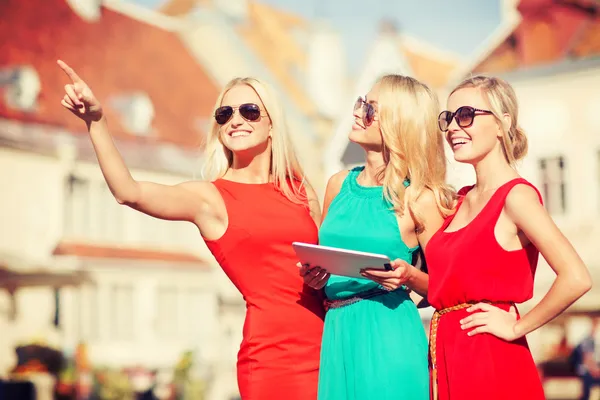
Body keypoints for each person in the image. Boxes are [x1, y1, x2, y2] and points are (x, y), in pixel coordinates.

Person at [57, 60, 325, 400]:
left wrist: (325, 278)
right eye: (224, 114)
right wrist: (96, 122)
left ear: (272, 123)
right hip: (274, 357)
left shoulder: (299, 189)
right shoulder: (210, 197)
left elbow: (326, 265)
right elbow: (129, 191)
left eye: (249, 111)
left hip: (328, 343)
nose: (236, 120)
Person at [426, 75, 593, 400]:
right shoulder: (459, 199)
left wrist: (518, 326)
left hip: (489, 355)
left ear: (503, 123)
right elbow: (443, 283)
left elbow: (576, 277)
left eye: (466, 115)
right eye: (448, 118)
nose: (452, 128)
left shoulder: (516, 197)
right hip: (447, 352)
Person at [301, 74, 455, 400]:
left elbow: (448, 290)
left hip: (389, 333)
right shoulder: (337, 184)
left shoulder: (420, 198)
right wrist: (315, 277)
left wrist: (410, 276)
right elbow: (325, 259)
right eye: (361, 103)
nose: (357, 113)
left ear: (399, 125)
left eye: (370, 109)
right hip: (337, 332)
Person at [572, 317, 600, 400]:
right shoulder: (588, 340)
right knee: (588, 395)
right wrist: (596, 371)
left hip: (591, 371)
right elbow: (588, 359)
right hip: (588, 372)